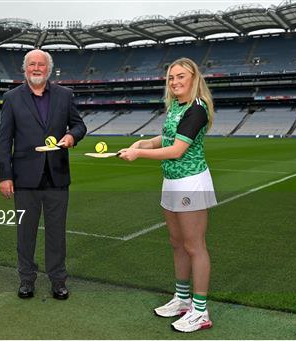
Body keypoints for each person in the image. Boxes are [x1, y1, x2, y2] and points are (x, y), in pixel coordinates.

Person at [118, 57, 217, 333]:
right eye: (171, 77)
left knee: (194, 245)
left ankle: (200, 310)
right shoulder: (175, 106)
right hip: (172, 181)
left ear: (194, 78)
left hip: (191, 181)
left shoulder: (197, 109)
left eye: (181, 76)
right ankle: (182, 299)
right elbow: (168, 138)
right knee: (177, 242)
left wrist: (138, 153)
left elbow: (177, 151)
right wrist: (146, 142)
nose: (175, 82)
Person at [0, 49, 87, 300]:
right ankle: (26, 279)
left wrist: (71, 136)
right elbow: (4, 141)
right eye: (32, 64)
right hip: (24, 178)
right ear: (25, 69)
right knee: (25, 232)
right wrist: (5, 176)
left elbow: (80, 125)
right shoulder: (12, 98)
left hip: (57, 176)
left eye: (41, 65)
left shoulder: (64, 95)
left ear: (49, 69)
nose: (37, 68)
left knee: (56, 233)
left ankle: (58, 280)